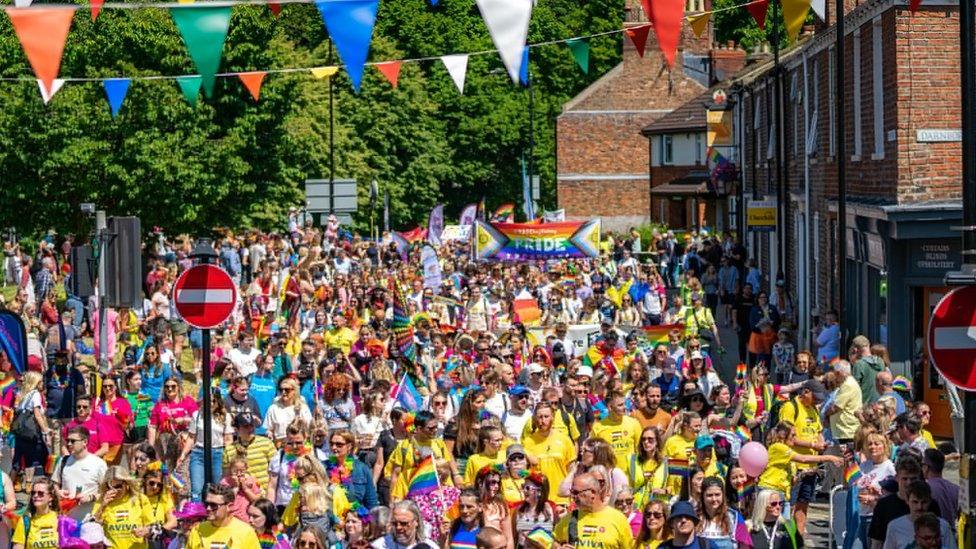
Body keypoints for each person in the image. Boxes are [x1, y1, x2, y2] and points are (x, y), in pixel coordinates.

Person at [553, 473, 633, 549]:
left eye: (576, 492)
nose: (573, 496)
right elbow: (554, 542)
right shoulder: (568, 519)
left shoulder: (618, 519)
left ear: (592, 493)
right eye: (572, 492)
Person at [182, 389, 234, 501]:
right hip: (198, 453)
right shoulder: (197, 415)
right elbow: (191, 437)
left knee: (217, 487)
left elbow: (228, 439)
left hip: (217, 453)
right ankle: (197, 514)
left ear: (218, 402)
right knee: (196, 489)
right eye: (208, 401)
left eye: (213, 401)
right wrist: (182, 455)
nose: (210, 403)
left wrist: (228, 456)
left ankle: (215, 512)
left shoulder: (225, 416)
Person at [521, 403, 575, 506]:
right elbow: (524, 471)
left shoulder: (564, 440)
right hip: (538, 501)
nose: (543, 420)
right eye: (539, 417)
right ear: (535, 419)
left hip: (561, 500)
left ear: (552, 417)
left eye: (546, 416)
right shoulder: (528, 442)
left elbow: (572, 469)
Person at [55, 424, 108, 521]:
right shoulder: (63, 461)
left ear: (85, 442)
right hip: (66, 521)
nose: (69, 444)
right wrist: (58, 492)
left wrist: (90, 497)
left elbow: (107, 491)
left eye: (73, 441)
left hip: (90, 521)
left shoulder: (98, 464)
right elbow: (55, 483)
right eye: (67, 441)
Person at [882, 480, 955, 549]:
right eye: (915, 502)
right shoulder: (894, 527)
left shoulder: (943, 526)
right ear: (907, 501)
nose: (920, 507)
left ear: (930, 501)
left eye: (924, 502)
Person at [92, 466, 153, 549]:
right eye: (110, 487)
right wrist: (103, 505)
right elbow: (92, 527)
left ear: (126, 483)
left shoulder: (140, 499)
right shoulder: (102, 500)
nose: (114, 490)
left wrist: (146, 531)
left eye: (118, 486)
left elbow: (154, 527)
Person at [186, 483, 260, 549]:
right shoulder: (197, 530)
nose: (208, 508)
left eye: (213, 505)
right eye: (206, 504)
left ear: (229, 506)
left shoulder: (246, 532)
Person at [590, 391, 642, 469]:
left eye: (624, 404)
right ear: (610, 407)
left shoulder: (634, 423)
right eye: (620, 405)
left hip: (630, 476)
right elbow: (594, 455)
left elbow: (640, 450)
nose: (625, 407)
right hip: (608, 476)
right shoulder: (598, 428)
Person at [11, 477, 61, 549]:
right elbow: (18, 546)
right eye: (33, 493)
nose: (36, 495)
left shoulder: (59, 519)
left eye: (41, 493)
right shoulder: (25, 521)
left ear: (51, 497)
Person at [372, 500, 437, 549]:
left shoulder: (430, 546)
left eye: (404, 523)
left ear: (416, 522)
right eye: (394, 523)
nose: (398, 527)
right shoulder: (379, 546)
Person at [922, 448, 958, 523]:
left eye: (922, 464)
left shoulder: (925, 489)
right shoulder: (956, 488)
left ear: (926, 467)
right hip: (950, 532)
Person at [851, 336, 886, 404]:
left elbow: (854, 388)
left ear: (855, 349)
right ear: (869, 345)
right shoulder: (880, 361)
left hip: (864, 405)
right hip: (879, 404)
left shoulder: (859, 364)